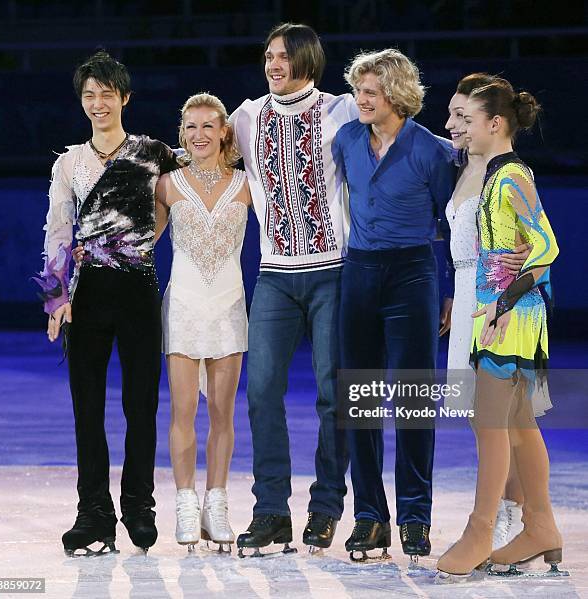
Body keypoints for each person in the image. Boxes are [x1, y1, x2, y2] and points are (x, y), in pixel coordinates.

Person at [34, 50, 179, 556]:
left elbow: (170, 207)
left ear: (125, 98)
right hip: (88, 293)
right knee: (86, 409)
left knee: (142, 406)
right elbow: (58, 229)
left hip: (139, 288)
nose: (98, 104)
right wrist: (56, 297)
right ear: (82, 101)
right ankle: (93, 513)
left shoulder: (152, 152)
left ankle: (139, 506)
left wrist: (135, 244)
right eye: (89, 96)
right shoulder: (69, 162)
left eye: (107, 95)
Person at [230, 23, 358, 555]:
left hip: (334, 271)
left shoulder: (343, 109)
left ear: (307, 58)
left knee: (335, 397)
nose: (273, 64)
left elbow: (393, 145)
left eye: (282, 56)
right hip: (274, 276)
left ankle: (326, 508)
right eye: (268, 56)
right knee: (260, 391)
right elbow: (197, 150)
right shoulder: (246, 117)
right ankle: (270, 511)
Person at [333, 49, 456, 562]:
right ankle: (369, 517)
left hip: (412, 272)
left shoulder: (433, 151)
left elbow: (452, 224)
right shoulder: (346, 140)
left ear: (397, 95)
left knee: (413, 397)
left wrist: (446, 287)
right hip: (359, 271)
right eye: (358, 90)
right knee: (357, 398)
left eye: (370, 92)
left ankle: (414, 516)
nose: (360, 99)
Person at [436, 79, 562, 580]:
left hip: (511, 315)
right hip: (498, 308)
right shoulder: (493, 176)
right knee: (514, 425)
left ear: (495, 124)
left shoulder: (510, 177)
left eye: (465, 118)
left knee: (494, 424)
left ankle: (481, 529)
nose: (454, 127)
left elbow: (547, 247)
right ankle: (541, 526)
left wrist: (501, 303)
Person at [155, 93, 251, 552]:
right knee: (182, 412)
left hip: (229, 305)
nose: (199, 135)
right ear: (182, 133)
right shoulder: (168, 185)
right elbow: (138, 243)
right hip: (184, 307)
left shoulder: (246, 185)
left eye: (208, 126)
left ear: (224, 132)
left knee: (221, 413)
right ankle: (186, 502)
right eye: (190, 127)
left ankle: (217, 501)